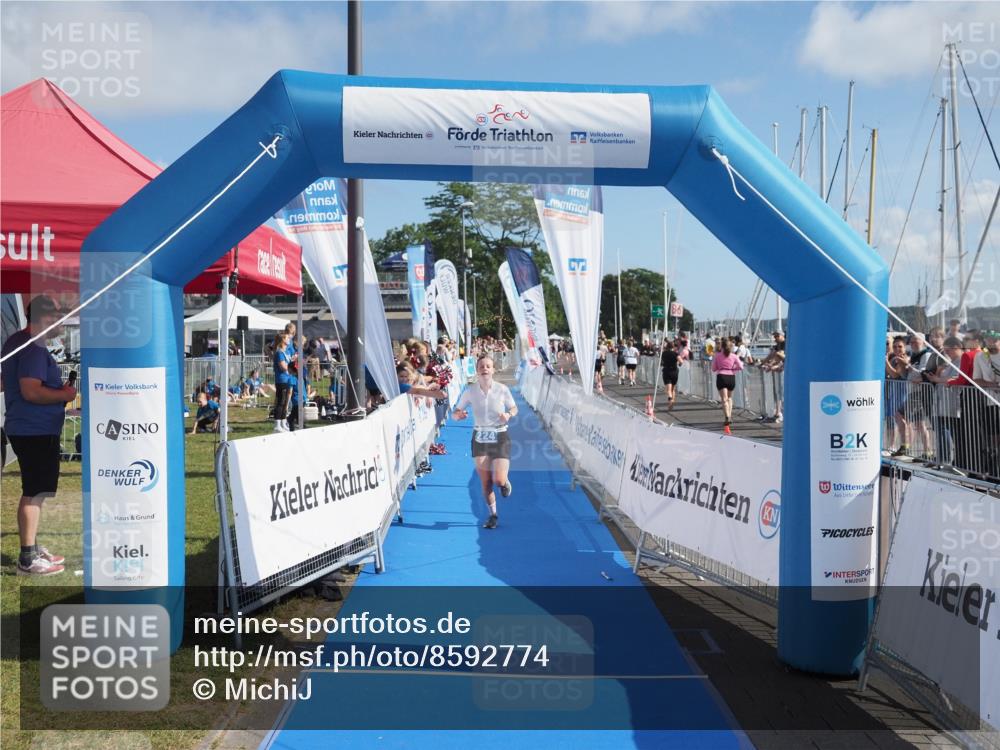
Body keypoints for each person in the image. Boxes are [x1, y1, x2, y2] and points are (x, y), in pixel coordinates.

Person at [1, 295, 76, 576]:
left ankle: (31, 548)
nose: (62, 323)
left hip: (27, 427)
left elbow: (7, 382)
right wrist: (65, 394)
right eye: (58, 317)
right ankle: (27, 559)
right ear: (46, 318)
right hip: (34, 429)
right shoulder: (33, 348)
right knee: (34, 492)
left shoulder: (17, 341)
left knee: (36, 491)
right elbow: (31, 391)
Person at [452, 355, 517, 530]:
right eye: (481, 366)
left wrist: (508, 415)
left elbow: (514, 408)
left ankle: (504, 482)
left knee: (498, 480)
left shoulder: (502, 389)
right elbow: (456, 412)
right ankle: (493, 515)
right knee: (486, 482)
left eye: (488, 366)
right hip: (480, 438)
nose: (485, 368)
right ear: (477, 370)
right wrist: (458, 415)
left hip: (500, 436)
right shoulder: (469, 391)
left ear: (493, 369)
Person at [711, 337, 743, 433]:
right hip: (731, 377)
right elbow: (741, 366)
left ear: (722, 346)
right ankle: (729, 415)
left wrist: (720, 367)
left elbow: (713, 369)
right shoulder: (734, 356)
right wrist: (733, 369)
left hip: (721, 376)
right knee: (729, 398)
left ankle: (727, 416)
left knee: (724, 399)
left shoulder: (717, 356)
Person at [272, 332, 293, 432]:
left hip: (288, 379)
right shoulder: (279, 353)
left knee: (286, 402)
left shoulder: (286, 352)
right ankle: (277, 424)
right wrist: (291, 367)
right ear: (283, 340)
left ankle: (283, 422)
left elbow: (288, 363)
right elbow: (283, 367)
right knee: (280, 401)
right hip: (281, 380)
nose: (289, 339)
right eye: (287, 338)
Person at [659, 339, 681, 409]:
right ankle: (672, 402)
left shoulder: (664, 353)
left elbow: (661, 363)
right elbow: (681, 361)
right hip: (674, 372)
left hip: (666, 371)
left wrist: (663, 363)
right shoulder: (675, 353)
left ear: (667, 347)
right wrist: (679, 364)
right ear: (673, 347)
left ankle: (670, 399)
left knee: (668, 389)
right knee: (673, 389)